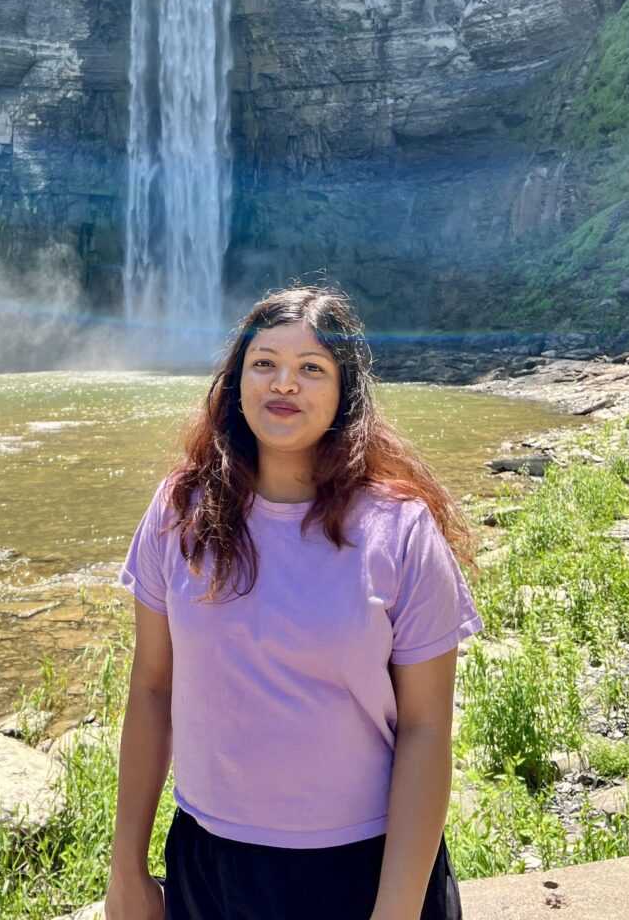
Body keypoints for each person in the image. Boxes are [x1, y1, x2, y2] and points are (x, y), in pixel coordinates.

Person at [104, 285, 484, 920]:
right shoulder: (180, 512)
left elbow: (425, 729)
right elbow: (150, 689)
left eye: (312, 368)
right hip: (210, 863)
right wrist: (126, 870)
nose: (284, 383)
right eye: (265, 363)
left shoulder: (401, 528)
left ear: (345, 395)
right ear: (236, 381)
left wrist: (395, 911)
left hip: (362, 867)